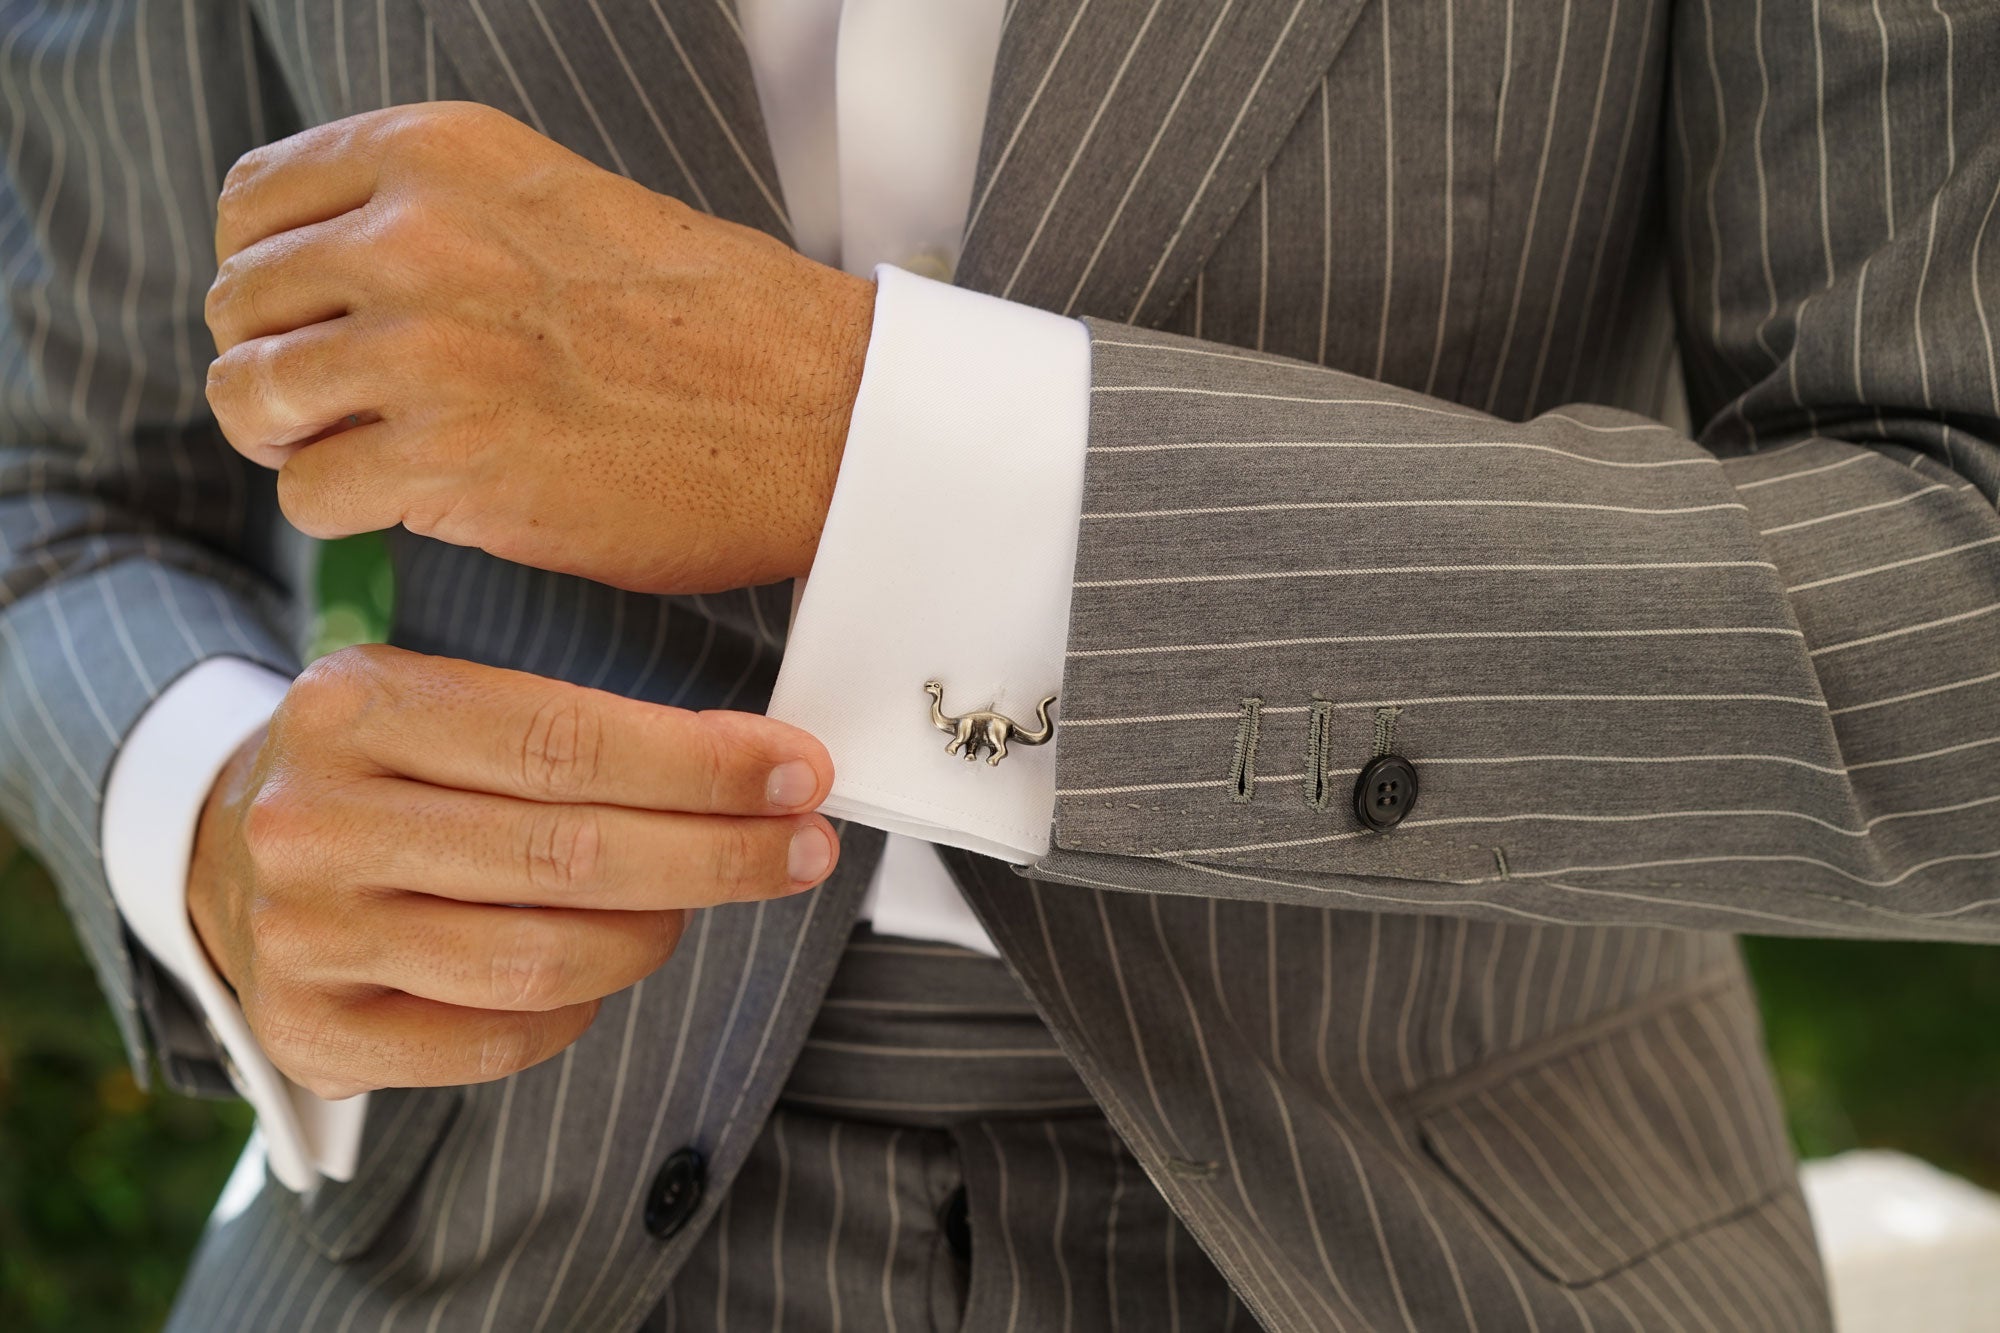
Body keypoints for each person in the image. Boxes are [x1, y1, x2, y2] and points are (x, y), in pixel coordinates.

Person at [3, 1, 1996, 1329]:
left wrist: (874, 444)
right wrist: (203, 809)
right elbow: (54, 479)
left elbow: (1957, 592)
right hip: (462, 1236)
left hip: (1473, 1229)